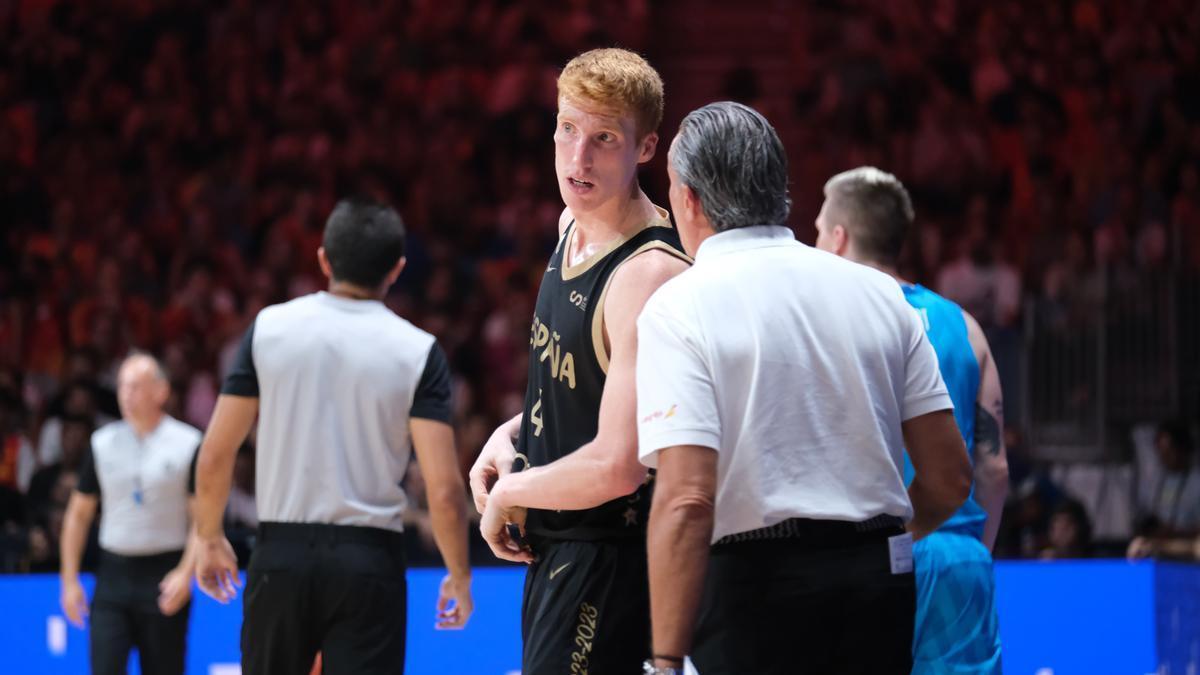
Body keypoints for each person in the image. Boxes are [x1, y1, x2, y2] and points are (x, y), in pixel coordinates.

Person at [636, 102, 972, 675]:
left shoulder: (679, 305)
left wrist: (664, 661)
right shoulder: (880, 294)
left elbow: (688, 500)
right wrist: (877, 540)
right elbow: (950, 479)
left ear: (689, 199)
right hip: (878, 583)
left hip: (753, 591)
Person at [468, 48, 690, 674]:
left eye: (603, 139)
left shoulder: (647, 274)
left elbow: (621, 464)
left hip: (610, 556)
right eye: (567, 129)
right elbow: (586, 390)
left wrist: (510, 490)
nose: (577, 157)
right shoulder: (573, 223)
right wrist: (512, 434)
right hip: (559, 548)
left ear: (645, 148)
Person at [191, 198, 474, 675]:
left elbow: (216, 452)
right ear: (397, 270)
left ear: (324, 258)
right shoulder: (419, 350)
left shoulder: (269, 329)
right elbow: (444, 488)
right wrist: (459, 574)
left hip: (280, 554)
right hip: (370, 562)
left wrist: (209, 535)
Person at [817, 166, 1008, 674]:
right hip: (956, 556)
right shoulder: (965, 326)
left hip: (860, 560)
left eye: (816, 231)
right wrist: (965, 550)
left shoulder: (825, 322)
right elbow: (995, 471)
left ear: (839, 239)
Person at [58, 352, 201, 675]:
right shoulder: (102, 442)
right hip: (113, 576)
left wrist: (185, 572)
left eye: (136, 386)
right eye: (122, 386)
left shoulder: (188, 442)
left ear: (161, 391)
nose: (126, 394)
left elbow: (201, 519)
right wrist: (69, 580)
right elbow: (78, 515)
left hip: (164, 574)